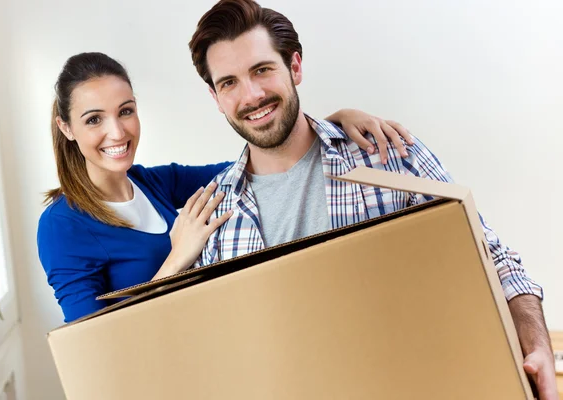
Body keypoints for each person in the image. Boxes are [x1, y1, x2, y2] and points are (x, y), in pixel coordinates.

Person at [187, 1, 557, 398]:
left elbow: (494, 260)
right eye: (229, 82)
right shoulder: (213, 215)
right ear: (214, 95)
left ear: (294, 67)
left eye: (262, 70)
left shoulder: (388, 154)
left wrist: (536, 341)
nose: (252, 95)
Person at [37, 52, 413, 323]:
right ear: (66, 128)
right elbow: (91, 343)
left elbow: (255, 160)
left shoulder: (153, 183)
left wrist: (331, 124)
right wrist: (177, 259)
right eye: (94, 120)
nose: (117, 132)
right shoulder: (61, 225)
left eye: (126, 110)